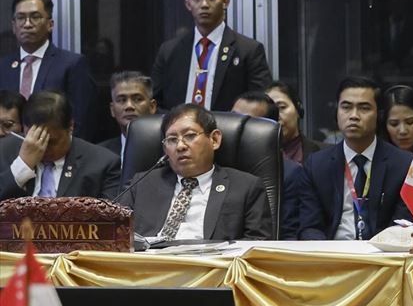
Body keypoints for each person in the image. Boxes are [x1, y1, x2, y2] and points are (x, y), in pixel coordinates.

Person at [126, 103, 272, 241]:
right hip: (150, 264)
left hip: (212, 265)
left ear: (214, 139)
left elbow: (258, 243)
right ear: (165, 150)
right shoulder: (142, 183)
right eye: (172, 139)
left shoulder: (246, 187)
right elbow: (114, 233)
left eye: (189, 136)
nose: (180, 146)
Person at [297, 77, 413, 240]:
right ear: (336, 112)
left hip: (384, 257)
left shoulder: (404, 165)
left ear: (379, 115)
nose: (354, 116)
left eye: (364, 108)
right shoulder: (316, 165)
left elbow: (404, 225)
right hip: (332, 257)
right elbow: (309, 226)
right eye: (346, 107)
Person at [151, 0, 271, 112]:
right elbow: (154, 103)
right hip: (179, 131)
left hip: (227, 131)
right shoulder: (169, 51)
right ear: (188, 5)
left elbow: (262, 105)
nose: (204, 4)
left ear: (225, 2)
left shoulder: (249, 50)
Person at [1, 0, 96, 140]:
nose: (27, 24)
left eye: (35, 17)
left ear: (50, 24)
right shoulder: (3, 66)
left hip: (54, 150)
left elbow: (80, 119)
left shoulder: (72, 64)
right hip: (8, 153)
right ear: (14, 26)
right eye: (20, 18)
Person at [0, 90, 119, 200]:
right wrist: (23, 165)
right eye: (36, 139)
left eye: (51, 142)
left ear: (70, 126)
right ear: (25, 128)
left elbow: (110, 219)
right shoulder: (4, 151)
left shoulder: (104, 164)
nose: (41, 148)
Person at [231, 90, 303, 241]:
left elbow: (288, 236)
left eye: (247, 123)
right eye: (233, 118)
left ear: (268, 131)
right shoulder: (209, 166)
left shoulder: (289, 173)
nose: (235, 127)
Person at [100, 71, 158, 168]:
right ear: (112, 109)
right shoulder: (100, 153)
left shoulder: (168, 151)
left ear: (152, 107)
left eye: (137, 99)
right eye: (122, 100)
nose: (129, 106)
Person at [266, 80, 322, 163]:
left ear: (298, 110)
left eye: (282, 107)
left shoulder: (324, 153)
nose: (276, 116)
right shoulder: (254, 156)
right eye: (269, 110)